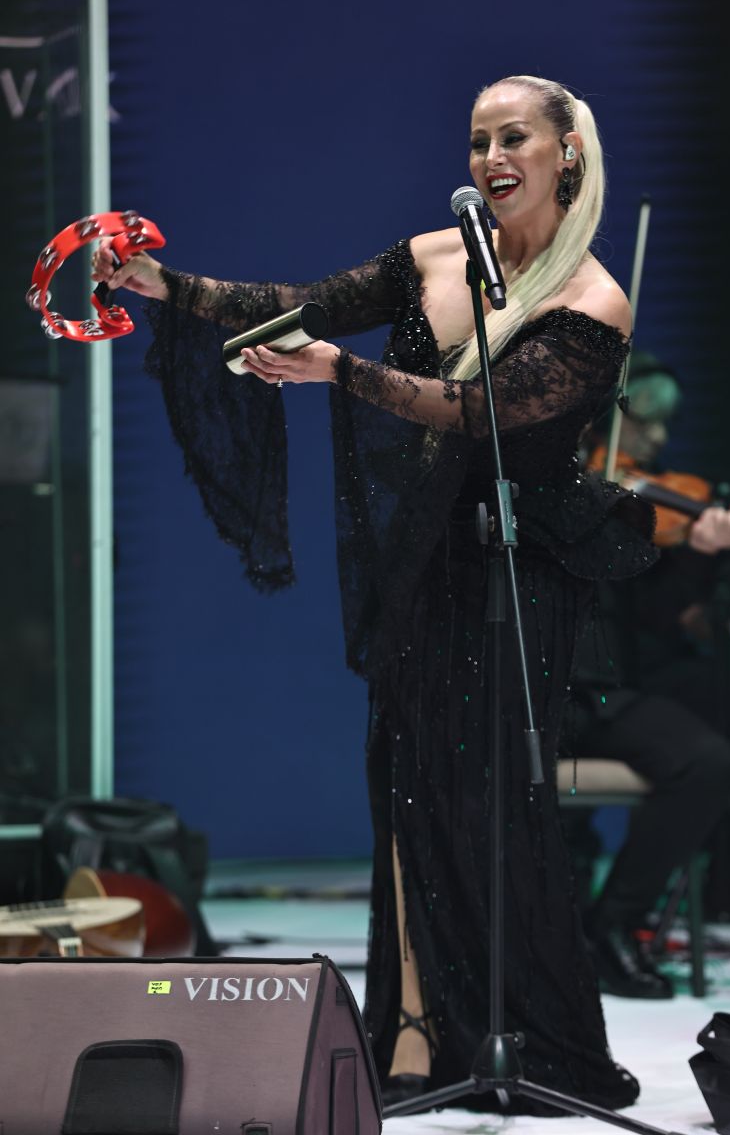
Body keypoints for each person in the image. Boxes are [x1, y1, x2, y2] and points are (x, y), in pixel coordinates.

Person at [93, 75, 656, 1116]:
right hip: (424, 563)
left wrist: (337, 375)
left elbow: (476, 412)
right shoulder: (432, 256)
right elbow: (291, 307)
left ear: (566, 153)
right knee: (405, 787)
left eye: (514, 137)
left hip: (514, 572)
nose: (491, 157)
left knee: (490, 804)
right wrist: (162, 284)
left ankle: (526, 1035)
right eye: (479, 138)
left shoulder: (592, 300)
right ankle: (412, 1030)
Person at [566, 353, 730, 1000]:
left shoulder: (642, 496)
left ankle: (707, 890)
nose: (659, 438)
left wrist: (700, 558)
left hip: (621, 677)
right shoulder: (562, 490)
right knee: (703, 747)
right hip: (568, 684)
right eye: (647, 420)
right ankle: (603, 920)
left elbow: (649, 614)